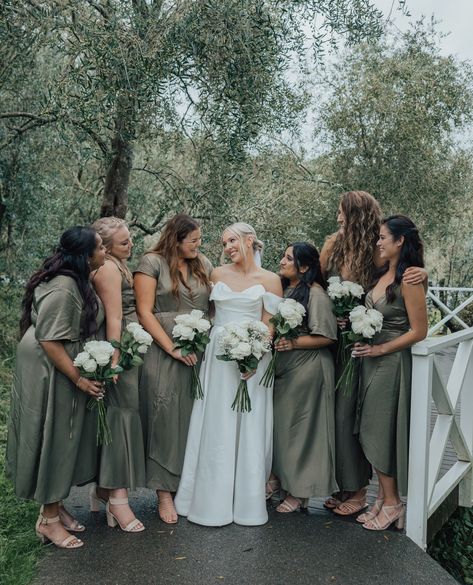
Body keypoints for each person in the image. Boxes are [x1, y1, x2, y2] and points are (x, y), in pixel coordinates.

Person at [319, 191, 426, 516]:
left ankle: (361, 488)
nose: (338, 218)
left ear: (355, 214)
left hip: (363, 343)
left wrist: (424, 275)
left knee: (350, 414)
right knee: (337, 413)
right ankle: (344, 485)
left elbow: (399, 278)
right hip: (336, 338)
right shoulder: (331, 245)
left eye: (341, 212)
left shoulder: (376, 249)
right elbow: (319, 282)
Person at [175, 222, 282, 527]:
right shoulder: (217, 274)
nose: (228, 247)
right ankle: (208, 498)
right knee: (216, 422)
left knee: (249, 425)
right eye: (224, 243)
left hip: (253, 358)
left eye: (233, 240)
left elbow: (269, 322)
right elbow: (209, 313)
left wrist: (254, 355)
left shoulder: (271, 280)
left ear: (250, 240)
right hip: (218, 359)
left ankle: (246, 501)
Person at [6, 226, 106, 549]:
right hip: (50, 366)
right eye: (101, 247)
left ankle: (56, 507)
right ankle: (47, 521)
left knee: (63, 436)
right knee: (56, 438)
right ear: (85, 256)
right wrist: (78, 378)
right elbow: (49, 340)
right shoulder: (64, 287)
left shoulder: (76, 279)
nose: (104, 252)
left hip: (57, 361)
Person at [134, 214, 213, 524]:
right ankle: (163, 492)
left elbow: (212, 304)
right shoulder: (151, 263)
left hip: (199, 349)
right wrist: (173, 347)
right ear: (176, 238)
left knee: (193, 417)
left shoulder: (202, 263)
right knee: (164, 417)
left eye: (199, 240)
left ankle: (187, 485)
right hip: (163, 348)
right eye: (193, 240)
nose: (198, 245)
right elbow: (143, 311)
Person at [352, 215, 427, 530]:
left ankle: (394, 502)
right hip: (370, 360)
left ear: (401, 241)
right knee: (370, 427)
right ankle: (383, 498)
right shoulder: (382, 273)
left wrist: (381, 349)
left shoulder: (409, 280)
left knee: (379, 430)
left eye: (384, 237)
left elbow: (419, 331)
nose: (379, 242)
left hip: (391, 362)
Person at [270, 243, 338, 513]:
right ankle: (282, 481)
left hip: (309, 369)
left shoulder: (315, 294)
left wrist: (294, 343)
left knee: (303, 432)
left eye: (289, 258)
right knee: (284, 428)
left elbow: (326, 336)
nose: (283, 261)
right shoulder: (283, 289)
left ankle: (301, 493)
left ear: (305, 266)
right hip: (286, 371)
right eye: (283, 255)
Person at [89, 217, 145, 533]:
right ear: (106, 248)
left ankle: (103, 489)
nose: (131, 244)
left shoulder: (118, 264)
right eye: (124, 242)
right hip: (119, 349)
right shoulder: (109, 269)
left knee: (122, 417)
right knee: (120, 419)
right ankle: (118, 500)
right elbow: (113, 318)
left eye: (130, 239)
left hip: (128, 347)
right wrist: (114, 359)